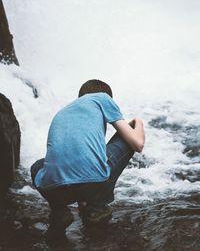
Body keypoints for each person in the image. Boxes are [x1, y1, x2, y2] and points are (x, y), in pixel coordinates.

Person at [31, 79, 145, 240]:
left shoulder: (64, 111)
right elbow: (137, 144)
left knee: (37, 166)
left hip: (54, 190)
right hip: (94, 183)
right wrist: (138, 121)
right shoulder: (103, 98)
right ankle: (95, 207)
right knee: (131, 130)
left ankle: (59, 211)